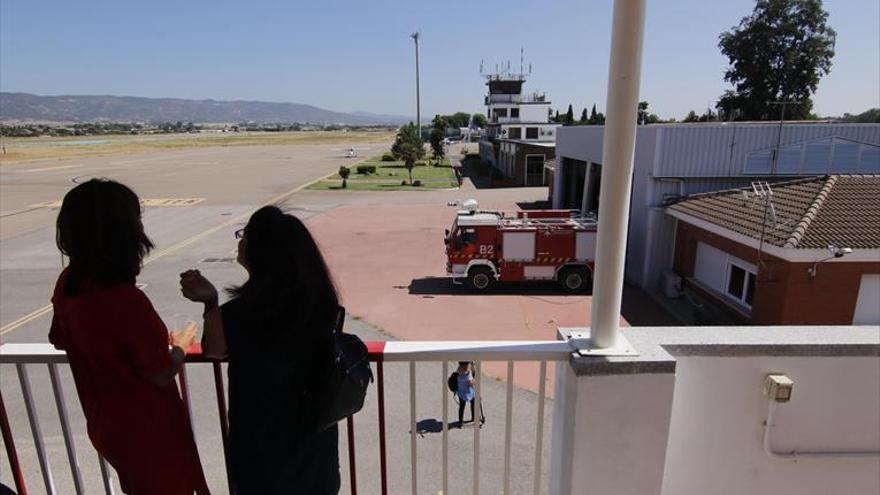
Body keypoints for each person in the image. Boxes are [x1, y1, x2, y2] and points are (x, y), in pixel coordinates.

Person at [48, 178, 209, 495]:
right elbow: (161, 374)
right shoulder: (126, 300)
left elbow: (59, 337)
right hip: (147, 431)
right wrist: (179, 346)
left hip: (106, 423)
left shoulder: (69, 284)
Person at [180, 205, 341, 494]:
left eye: (245, 235)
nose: (241, 242)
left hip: (260, 448)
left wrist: (210, 302)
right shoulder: (322, 307)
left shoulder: (236, 314)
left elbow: (213, 350)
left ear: (259, 252)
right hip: (315, 447)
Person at [456, 361, 477, 427]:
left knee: (462, 406)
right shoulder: (466, 373)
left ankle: (460, 421)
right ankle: (474, 417)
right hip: (468, 392)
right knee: (473, 403)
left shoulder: (459, 370)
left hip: (461, 392)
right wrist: (474, 379)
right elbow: (471, 383)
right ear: (465, 364)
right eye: (468, 363)